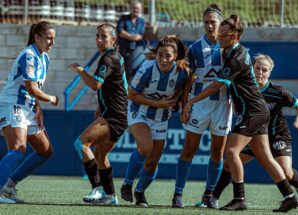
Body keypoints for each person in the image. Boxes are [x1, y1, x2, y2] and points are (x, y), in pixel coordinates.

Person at [182, 15, 298, 212]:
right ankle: (289, 196)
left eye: (224, 34)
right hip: (257, 110)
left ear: (234, 36)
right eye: (219, 32)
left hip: (252, 112)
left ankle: (239, 198)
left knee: (231, 152)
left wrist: (190, 101)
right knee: (264, 157)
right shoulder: (233, 51)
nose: (219, 36)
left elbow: (217, 85)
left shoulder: (236, 57)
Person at [207, 54, 298, 211]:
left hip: (277, 134)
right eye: (257, 68)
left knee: (286, 172)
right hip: (253, 134)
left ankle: (293, 192)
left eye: (265, 70)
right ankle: (213, 198)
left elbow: (297, 104)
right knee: (230, 162)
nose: (260, 72)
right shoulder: (245, 88)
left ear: (270, 72)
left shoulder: (278, 92)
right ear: (251, 69)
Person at [171, 4, 232, 208]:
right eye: (206, 22)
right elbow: (188, 78)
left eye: (213, 22)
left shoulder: (230, 47)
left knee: (218, 152)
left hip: (224, 103)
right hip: (200, 102)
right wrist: (185, 105)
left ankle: (209, 195)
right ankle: (177, 195)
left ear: (220, 23)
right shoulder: (196, 48)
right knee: (189, 148)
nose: (209, 25)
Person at [120, 35, 189, 207]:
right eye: (160, 55)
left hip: (160, 118)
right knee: (145, 147)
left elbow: (183, 89)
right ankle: (127, 184)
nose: (163, 59)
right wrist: (157, 103)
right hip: (139, 112)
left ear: (175, 57)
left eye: (168, 56)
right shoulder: (147, 68)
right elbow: (131, 94)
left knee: (152, 163)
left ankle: (140, 193)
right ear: (155, 55)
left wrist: (177, 104)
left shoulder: (181, 72)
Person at [69, 23, 128, 205]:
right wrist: (102, 106)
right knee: (101, 156)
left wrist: (80, 71)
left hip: (114, 115)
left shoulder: (108, 58)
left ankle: (97, 188)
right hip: (118, 113)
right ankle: (110, 197)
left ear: (113, 39)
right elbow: (118, 87)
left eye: (103, 36)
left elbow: (96, 84)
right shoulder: (114, 57)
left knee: (81, 143)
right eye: (97, 36)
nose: (99, 40)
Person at [0, 21, 58, 204]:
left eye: (54, 39)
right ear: (37, 37)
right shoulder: (29, 55)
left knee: (45, 150)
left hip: (28, 106)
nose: (52, 42)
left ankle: (8, 187)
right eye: (48, 38)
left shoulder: (45, 57)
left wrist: (38, 106)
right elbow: (32, 88)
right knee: (18, 147)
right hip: (12, 104)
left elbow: (34, 88)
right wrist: (51, 99)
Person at [117, 1, 145, 81]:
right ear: (131, 9)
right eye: (134, 8)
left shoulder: (141, 21)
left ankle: (128, 89)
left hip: (134, 50)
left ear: (141, 10)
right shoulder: (124, 18)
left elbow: (141, 35)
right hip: (122, 48)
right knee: (121, 70)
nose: (136, 10)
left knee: (131, 71)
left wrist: (129, 37)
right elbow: (120, 31)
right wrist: (132, 37)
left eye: (138, 8)